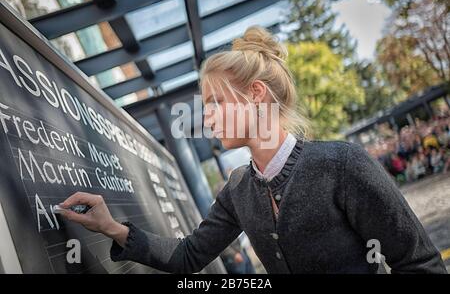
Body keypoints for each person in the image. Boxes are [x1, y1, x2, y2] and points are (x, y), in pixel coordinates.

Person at [58, 26, 447, 274]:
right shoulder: (238, 189)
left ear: (256, 94)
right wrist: (111, 228)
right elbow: (188, 255)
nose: (207, 118)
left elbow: (420, 263)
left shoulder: (342, 165)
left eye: (215, 103)